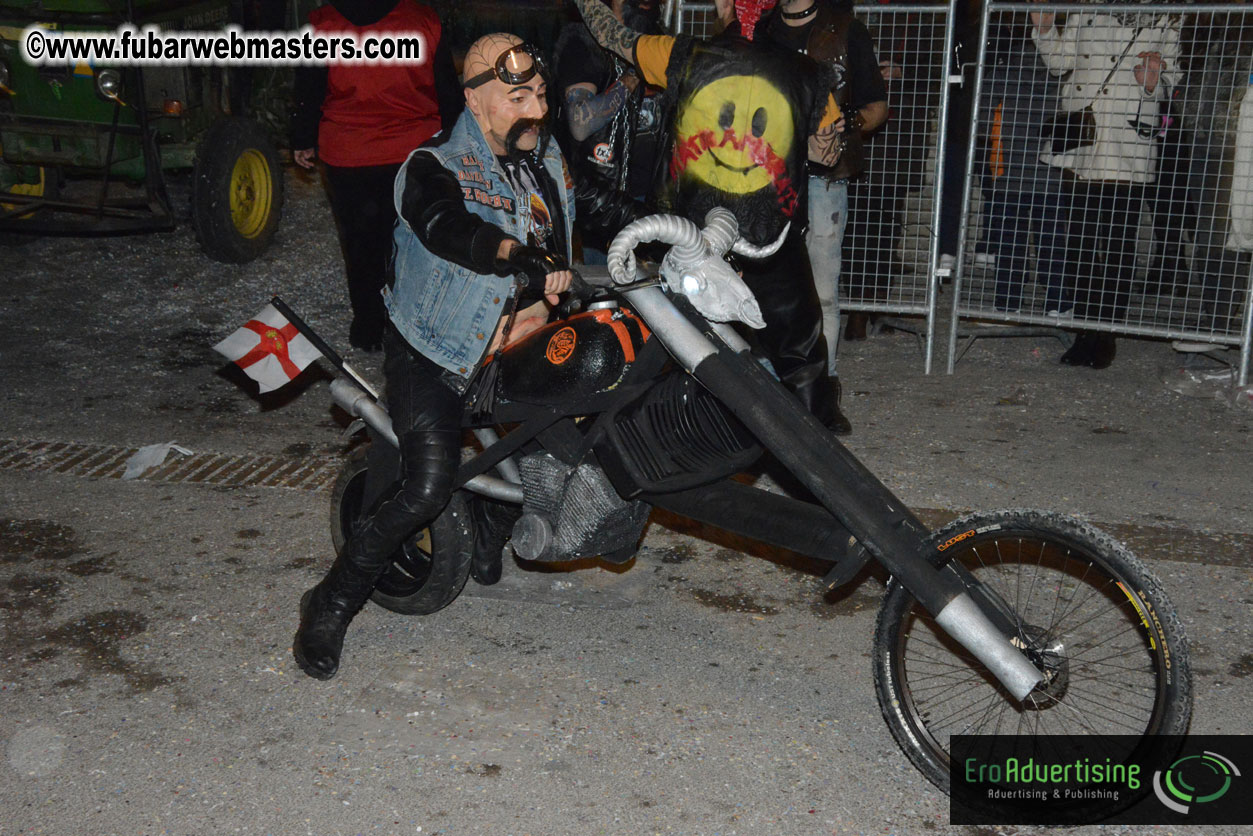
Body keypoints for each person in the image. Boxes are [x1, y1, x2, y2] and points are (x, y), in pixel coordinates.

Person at [294, 34, 639, 681]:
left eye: (540, 95)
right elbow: (448, 227)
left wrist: (678, 226)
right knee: (425, 484)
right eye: (519, 97)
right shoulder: (432, 167)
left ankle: (499, 525)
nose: (537, 110)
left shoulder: (544, 158)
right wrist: (516, 255)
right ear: (475, 100)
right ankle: (330, 602)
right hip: (439, 351)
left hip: (520, 342)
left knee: (603, 396)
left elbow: (598, 203)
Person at [570, 0, 853, 433]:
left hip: (690, 241)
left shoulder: (680, 53)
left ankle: (667, 437)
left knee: (677, 342)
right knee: (800, 355)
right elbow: (824, 153)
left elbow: (612, 35)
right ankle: (819, 450)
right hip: (770, 238)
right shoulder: (808, 73)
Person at [290, 0, 462, 351]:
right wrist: (458, 145)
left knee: (360, 244)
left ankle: (368, 326)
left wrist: (302, 138)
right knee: (418, 243)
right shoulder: (423, 21)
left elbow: (309, 90)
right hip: (414, 154)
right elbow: (446, 91)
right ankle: (415, 329)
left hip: (349, 155)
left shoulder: (322, 25)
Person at [760, 0, 887, 434]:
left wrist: (845, 122)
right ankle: (772, 387)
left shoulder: (845, 29)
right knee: (769, 286)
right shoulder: (762, 29)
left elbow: (876, 105)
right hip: (770, 175)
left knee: (823, 290)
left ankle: (823, 392)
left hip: (825, 177)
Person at [1031, 4, 1179, 368]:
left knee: (1117, 243)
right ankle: (1085, 327)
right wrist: (1046, 30)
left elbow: (1173, 76)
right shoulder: (1086, 7)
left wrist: (1152, 83)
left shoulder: (1167, 14)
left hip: (1127, 140)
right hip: (1083, 138)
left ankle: (1106, 331)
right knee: (1078, 242)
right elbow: (1059, 63)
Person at [552, 0, 668, 242]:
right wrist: (634, 76)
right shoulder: (583, 41)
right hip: (602, 206)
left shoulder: (655, 40)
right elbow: (580, 124)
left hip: (650, 200)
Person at [978, 14, 1069, 315]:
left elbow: (983, 114)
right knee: (1053, 242)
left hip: (1010, 170)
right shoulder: (1066, 72)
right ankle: (1057, 302)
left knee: (1010, 244)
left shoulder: (1005, 70)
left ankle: (1008, 302)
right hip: (1054, 170)